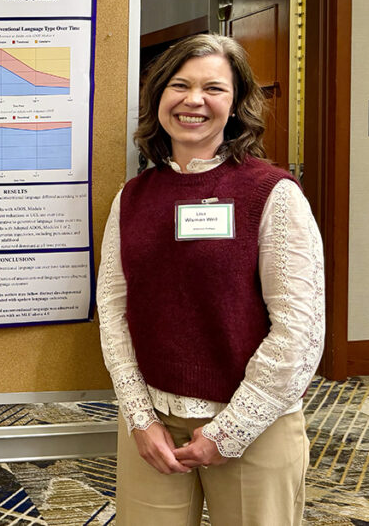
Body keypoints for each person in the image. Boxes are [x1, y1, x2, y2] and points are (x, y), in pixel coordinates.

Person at [96, 33, 324, 525]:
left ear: (237, 104)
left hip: (254, 425)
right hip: (153, 423)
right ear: (158, 97)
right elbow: (114, 311)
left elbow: (299, 330)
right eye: (179, 84)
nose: (193, 100)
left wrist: (230, 430)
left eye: (213, 88)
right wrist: (138, 417)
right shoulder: (132, 198)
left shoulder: (274, 193)